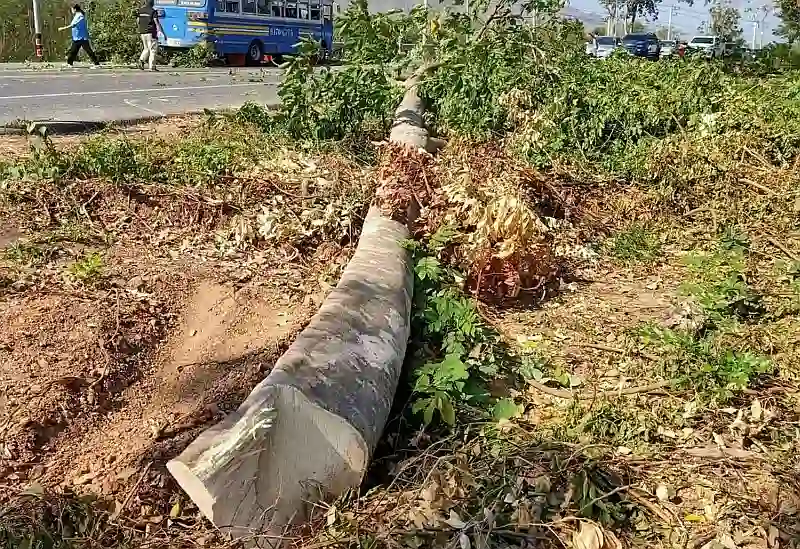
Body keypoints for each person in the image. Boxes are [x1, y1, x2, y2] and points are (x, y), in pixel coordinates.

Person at [137, 0, 165, 71]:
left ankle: (141, 60)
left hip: (142, 32)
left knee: (146, 48)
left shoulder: (141, 10)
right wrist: (163, 33)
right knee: (153, 49)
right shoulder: (153, 11)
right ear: (152, 3)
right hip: (150, 33)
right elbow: (157, 23)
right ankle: (152, 67)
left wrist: (140, 29)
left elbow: (138, 21)